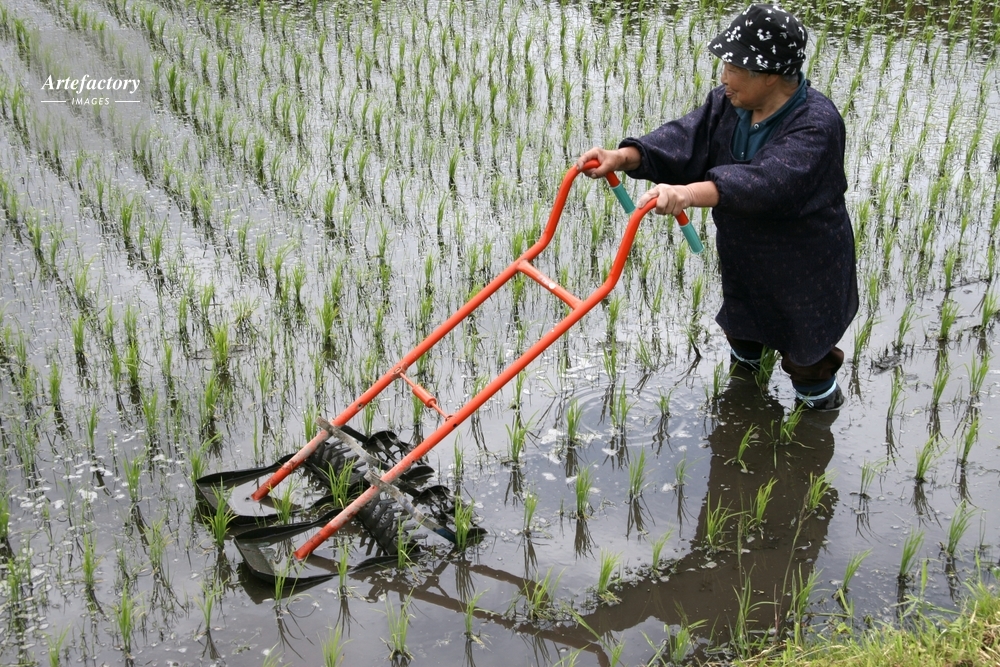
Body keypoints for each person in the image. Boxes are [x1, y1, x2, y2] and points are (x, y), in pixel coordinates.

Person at [577, 3, 858, 410]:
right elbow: (685, 138)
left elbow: (769, 182)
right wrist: (623, 157)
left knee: (808, 362)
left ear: (770, 74)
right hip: (746, 258)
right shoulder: (730, 103)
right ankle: (744, 411)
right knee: (743, 338)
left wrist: (687, 194)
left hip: (805, 268)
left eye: (734, 67)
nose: (724, 77)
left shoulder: (816, 124)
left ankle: (817, 424)